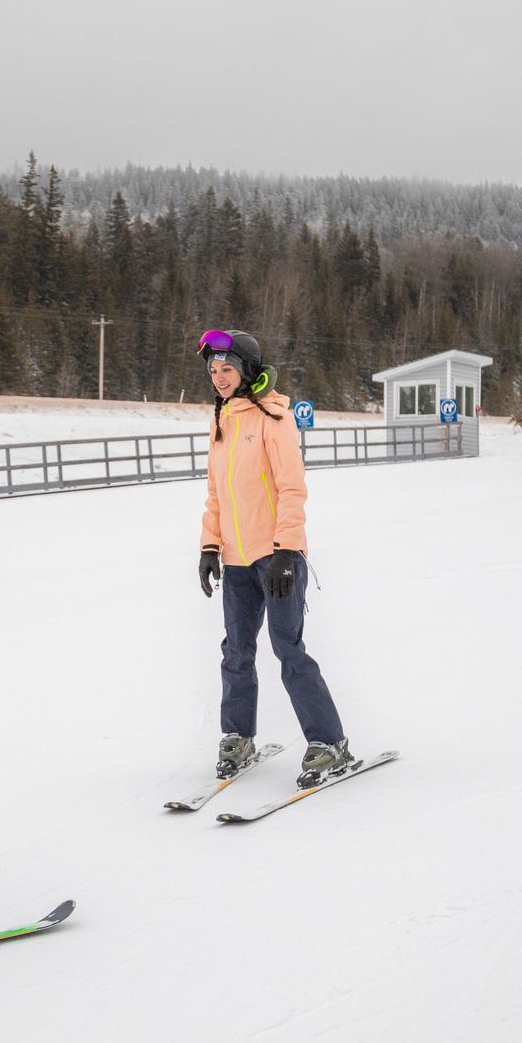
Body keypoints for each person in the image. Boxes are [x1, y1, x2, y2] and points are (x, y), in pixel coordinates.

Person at [194, 329, 352, 788]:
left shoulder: (274, 417)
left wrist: (286, 551)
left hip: (277, 556)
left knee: (288, 648)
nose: (219, 378)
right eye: (213, 371)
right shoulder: (221, 420)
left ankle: (330, 742)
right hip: (237, 559)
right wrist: (209, 546)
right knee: (236, 651)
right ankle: (238, 737)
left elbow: (291, 488)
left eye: (226, 369)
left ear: (246, 370)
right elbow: (216, 493)